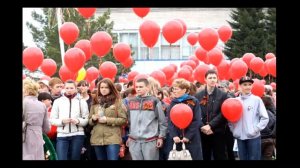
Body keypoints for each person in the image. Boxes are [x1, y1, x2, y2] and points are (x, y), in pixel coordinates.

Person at [228, 76, 269, 160]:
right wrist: (234, 130)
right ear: (240, 86)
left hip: (253, 137)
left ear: (252, 86)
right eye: (245, 84)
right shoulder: (235, 101)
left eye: (249, 84)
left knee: (254, 158)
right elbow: (230, 118)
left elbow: (265, 117)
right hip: (239, 137)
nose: (247, 87)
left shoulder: (256, 100)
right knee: (242, 158)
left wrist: (255, 129)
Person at [126, 78, 167, 160]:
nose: (138, 89)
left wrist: (161, 137)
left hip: (150, 140)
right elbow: (130, 121)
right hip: (134, 141)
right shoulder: (131, 101)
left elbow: (162, 121)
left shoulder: (154, 101)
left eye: (141, 87)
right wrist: (130, 136)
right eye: (136, 87)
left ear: (147, 87)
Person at [88, 78, 127, 160]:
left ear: (111, 88)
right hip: (97, 138)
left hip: (112, 138)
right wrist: (93, 119)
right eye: (101, 87)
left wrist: (107, 120)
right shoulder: (95, 101)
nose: (103, 89)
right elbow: (90, 121)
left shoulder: (118, 102)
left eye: (106, 87)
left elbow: (123, 120)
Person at [194, 69, 229, 160]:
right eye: (210, 78)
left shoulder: (223, 95)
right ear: (205, 79)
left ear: (217, 79)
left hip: (218, 131)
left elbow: (224, 113)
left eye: (214, 78)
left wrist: (211, 125)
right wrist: (202, 126)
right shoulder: (198, 95)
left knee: (220, 156)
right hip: (203, 132)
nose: (212, 80)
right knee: (205, 155)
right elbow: (196, 113)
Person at [50, 80, 89, 160]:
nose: (69, 90)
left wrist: (78, 121)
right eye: (67, 88)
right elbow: (52, 119)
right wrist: (62, 121)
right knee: (61, 158)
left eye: (71, 88)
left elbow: (86, 119)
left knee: (75, 158)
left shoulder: (82, 102)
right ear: (64, 88)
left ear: (75, 89)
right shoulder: (57, 101)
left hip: (78, 135)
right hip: (62, 135)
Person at [166, 78, 203, 160]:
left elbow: (196, 120)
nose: (174, 91)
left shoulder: (192, 101)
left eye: (176, 89)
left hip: (191, 138)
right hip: (176, 139)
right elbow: (169, 120)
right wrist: (174, 135)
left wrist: (188, 136)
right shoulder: (173, 102)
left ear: (184, 90)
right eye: (173, 89)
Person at [23, 79, 50, 160]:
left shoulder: (23, 103)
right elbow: (47, 128)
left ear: (26, 90)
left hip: (25, 136)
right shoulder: (42, 105)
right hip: (38, 136)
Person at [261, 95, 276, 160]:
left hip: (260, 139)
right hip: (270, 139)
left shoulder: (260, 113)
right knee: (268, 157)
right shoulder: (273, 114)